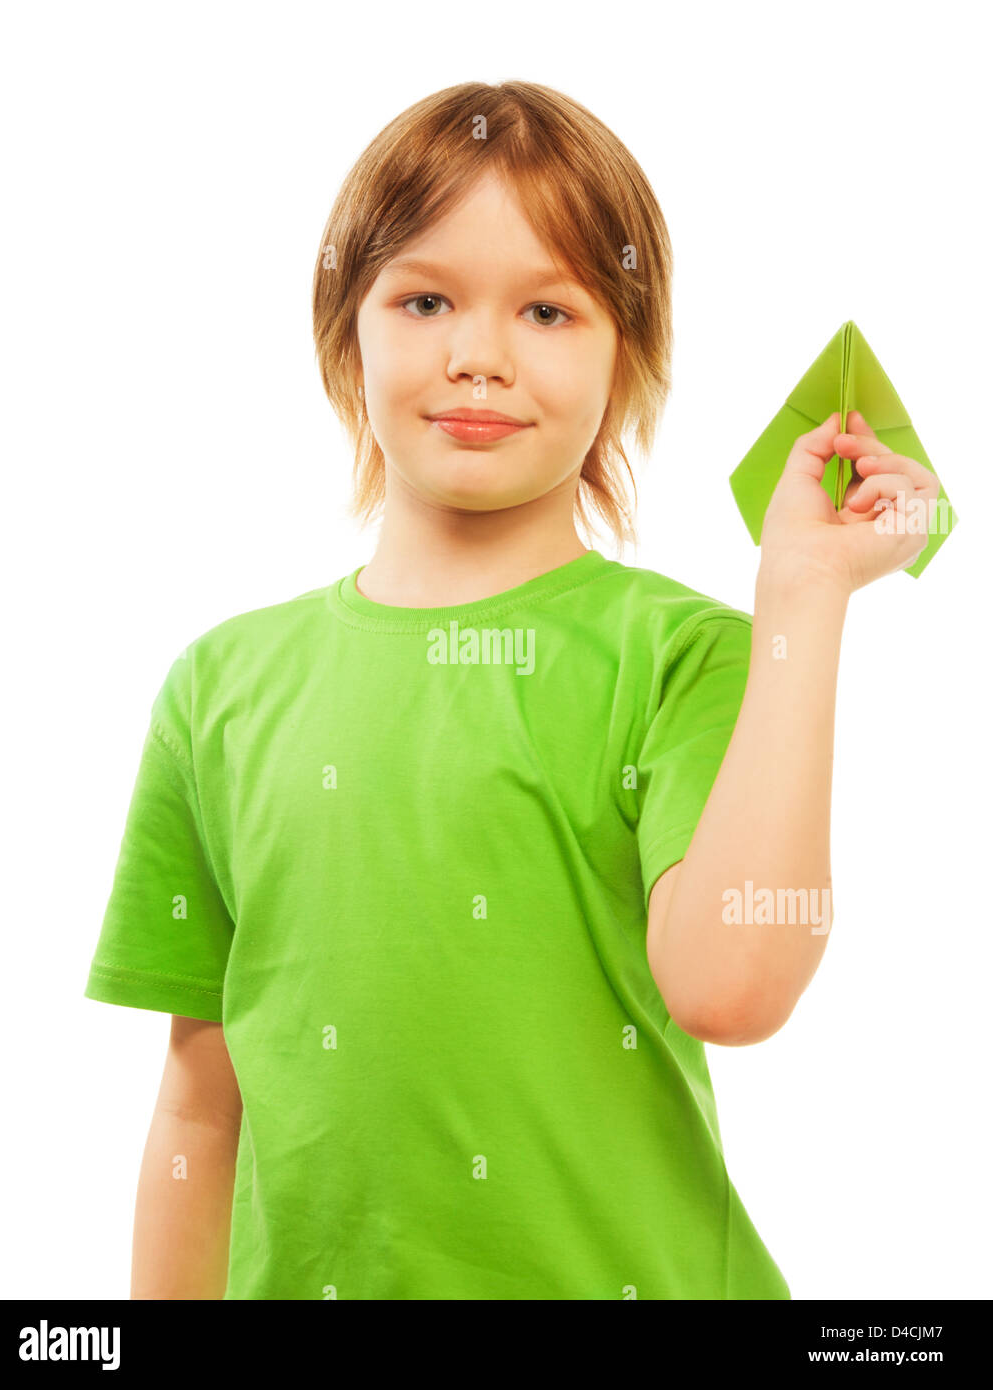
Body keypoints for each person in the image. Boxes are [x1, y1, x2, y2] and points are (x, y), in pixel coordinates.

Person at [82, 80, 937, 1300]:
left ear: (627, 358)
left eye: (548, 309)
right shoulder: (217, 688)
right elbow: (199, 1106)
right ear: (346, 331)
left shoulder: (684, 658)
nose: (477, 356)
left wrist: (800, 596)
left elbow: (731, 987)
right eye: (424, 299)